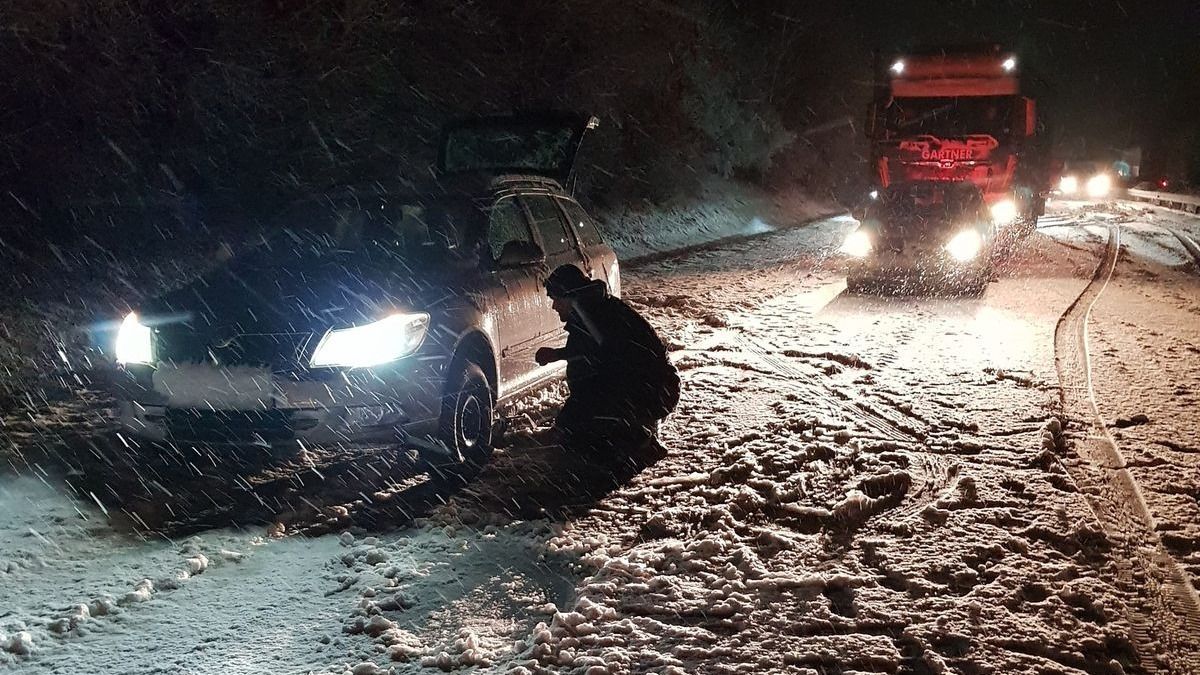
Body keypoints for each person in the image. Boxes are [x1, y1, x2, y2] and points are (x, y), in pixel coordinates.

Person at [535, 264, 679, 467]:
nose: (554, 306)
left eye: (556, 300)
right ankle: (635, 432)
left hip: (655, 391)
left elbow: (594, 377)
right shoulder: (598, 309)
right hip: (659, 388)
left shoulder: (591, 318)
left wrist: (563, 426)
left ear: (569, 296)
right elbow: (600, 353)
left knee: (581, 441)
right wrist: (558, 354)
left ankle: (636, 441)